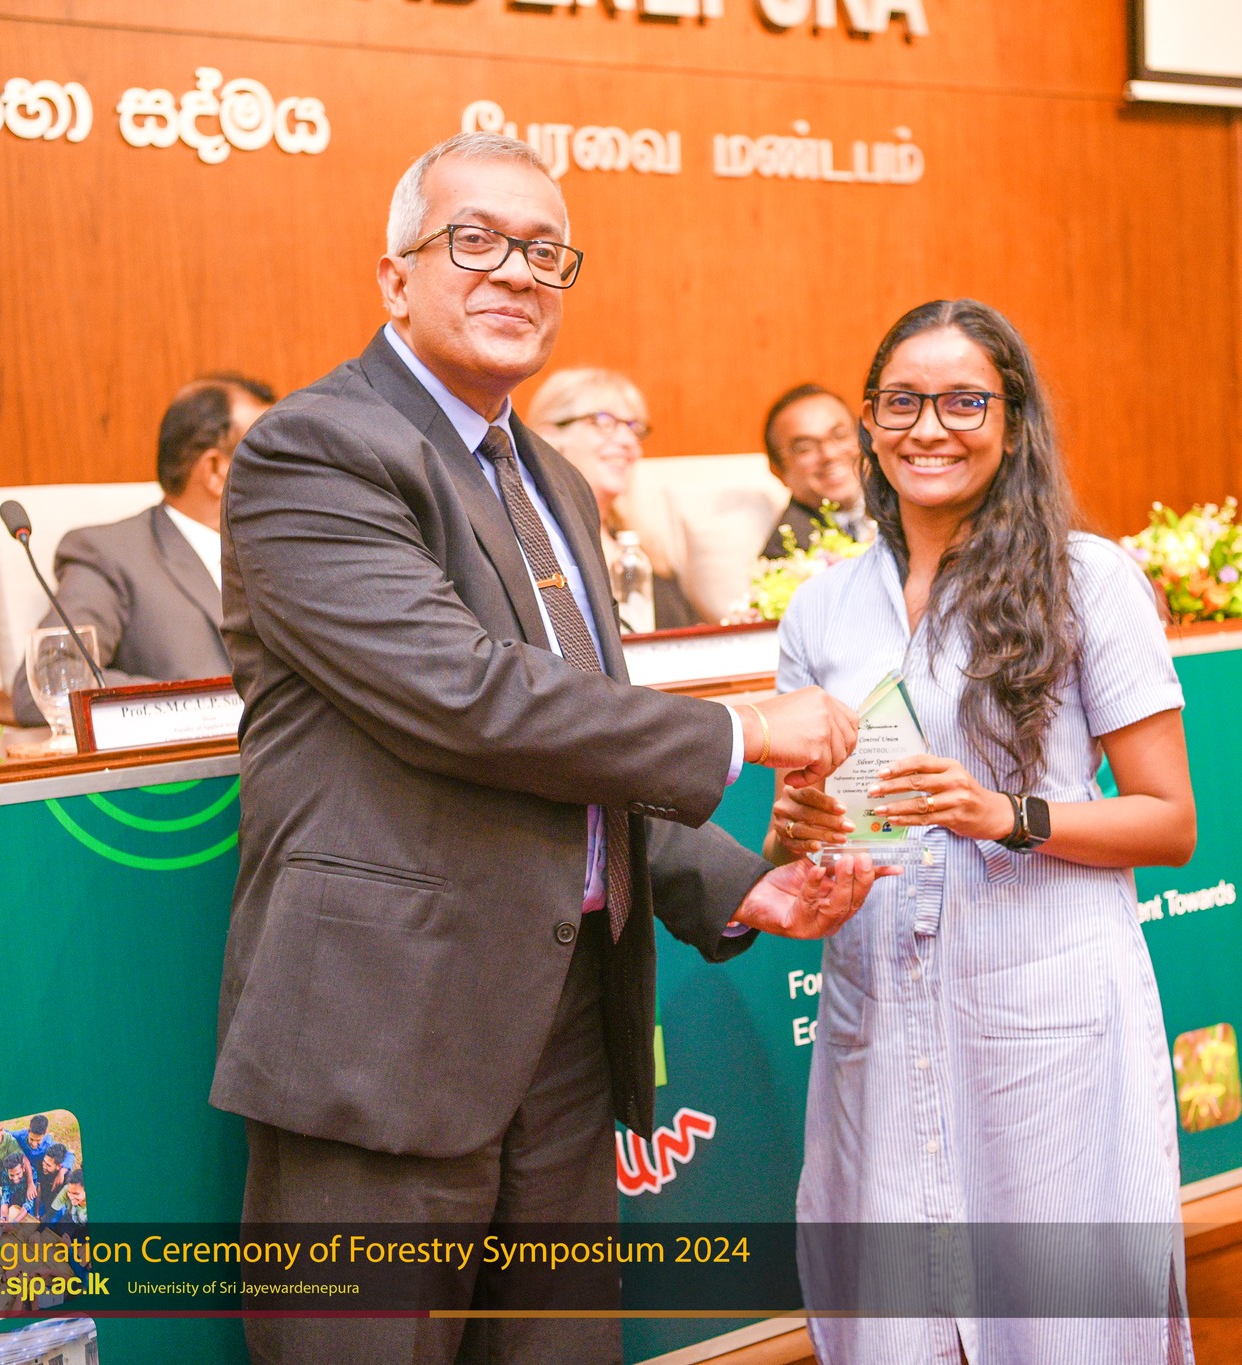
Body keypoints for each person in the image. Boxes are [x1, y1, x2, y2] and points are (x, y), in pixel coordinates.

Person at [212, 130, 888, 1365]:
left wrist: (738, 883)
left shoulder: (553, 484)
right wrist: (738, 728)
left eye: (544, 251)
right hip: (387, 1034)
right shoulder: (314, 450)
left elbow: (578, 741)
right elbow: (463, 698)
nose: (516, 272)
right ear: (393, 276)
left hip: (567, 1024)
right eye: (474, 241)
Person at [767, 300, 1197, 1363]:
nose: (930, 428)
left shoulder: (1086, 579)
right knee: (894, 1330)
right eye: (902, 402)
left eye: (964, 402)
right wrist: (798, 831)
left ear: (1011, 422)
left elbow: (1168, 820)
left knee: (1064, 1328)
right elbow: (809, 836)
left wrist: (1006, 815)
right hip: (880, 1010)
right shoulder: (821, 610)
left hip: (1042, 1013)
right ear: (869, 421)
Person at [11, 374, 274, 724]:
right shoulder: (110, 554)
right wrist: (202, 706)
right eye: (269, 453)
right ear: (214, 470)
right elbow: (49, 687)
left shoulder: (291, 550)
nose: (292, 470)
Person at [525, 367, 700, 630]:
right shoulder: (534, 545)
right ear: (549, 437)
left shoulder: (645, 548)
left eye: (634, 427)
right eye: (604, 422)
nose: (628, 441)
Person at [759, 382, 872, 559]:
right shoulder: (784, 557)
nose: (829, 455)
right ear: (778, 471)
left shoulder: (906, 503)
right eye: (805, 448)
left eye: (840, 435)